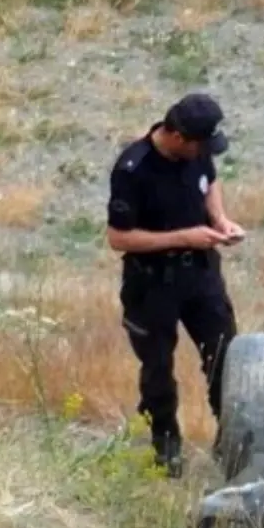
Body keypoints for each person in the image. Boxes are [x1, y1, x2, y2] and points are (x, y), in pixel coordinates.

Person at [105, 93, 247, 479]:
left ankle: (233, 442)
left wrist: (220, 220)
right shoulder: (133, 170)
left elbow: (209, 181)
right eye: (200, 146)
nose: (205, 153)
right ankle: (165, 445)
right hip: (152, 285)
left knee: (225, 358)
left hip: (201, 276)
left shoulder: (197, 151)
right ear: (179, 137)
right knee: (157, 369)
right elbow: (119, 238)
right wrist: (184, 237)